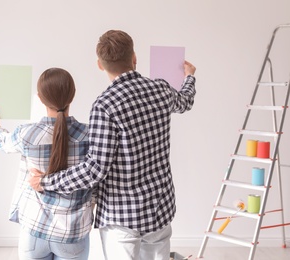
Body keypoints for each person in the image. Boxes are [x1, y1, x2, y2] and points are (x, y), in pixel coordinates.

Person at [29, 30, 196, 260]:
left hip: (122, 217)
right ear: (134, 57)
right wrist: (189, 77)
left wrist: (47, 181)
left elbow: (94, 169)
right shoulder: (161, 89)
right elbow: (185, 102)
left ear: (100, 65)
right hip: (160, 208)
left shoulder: (105, 105)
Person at [0, 68, 93, 260]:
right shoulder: (91, 135)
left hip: (35, 231)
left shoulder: (27, 134)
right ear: (73, 95)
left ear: (40, 98)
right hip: (72, 234)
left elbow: (4, 143)